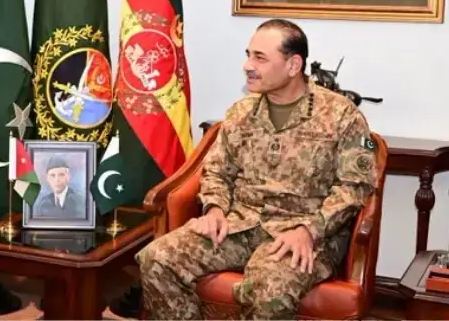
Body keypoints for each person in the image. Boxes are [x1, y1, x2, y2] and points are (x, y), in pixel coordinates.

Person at [136, 19, 378, 320]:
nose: (247, 65)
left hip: (301, 234)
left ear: (293, 65)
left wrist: (309, 230)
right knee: (156, 258)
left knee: (268, 290)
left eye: (259, 57)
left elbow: (355, 186)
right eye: (248, 54)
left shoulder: (343, 116)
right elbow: (216, 170)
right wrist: (214, 210)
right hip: (240, 224)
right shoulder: (240, 113)